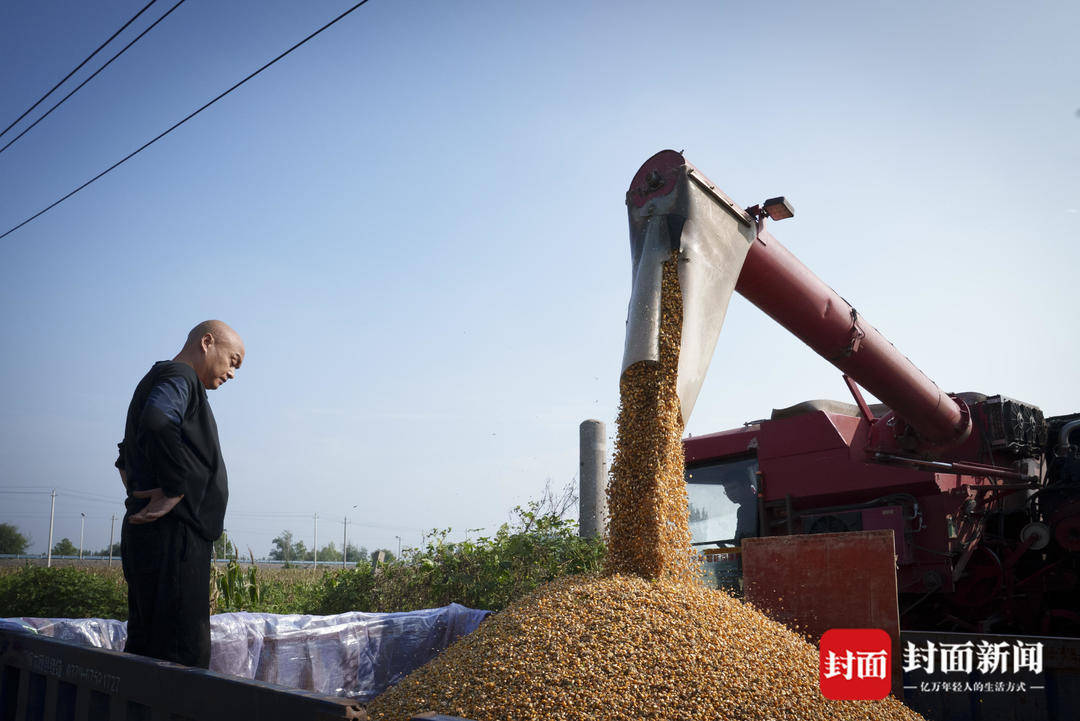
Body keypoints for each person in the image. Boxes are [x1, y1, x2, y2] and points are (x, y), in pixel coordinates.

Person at [115, 320, 244, 668]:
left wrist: (139, 491)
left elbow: (125, 456)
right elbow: (159, 420)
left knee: (147, 647)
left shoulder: (156, 380)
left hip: (154, 535)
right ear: (207, 342)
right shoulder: (180, 377)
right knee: (181, 655)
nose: (232, 373)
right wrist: (174, 488)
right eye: (233, 360)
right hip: (176, 540)